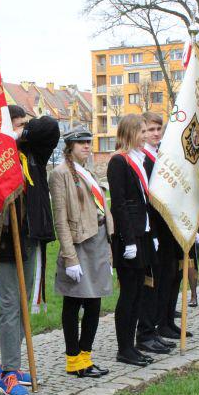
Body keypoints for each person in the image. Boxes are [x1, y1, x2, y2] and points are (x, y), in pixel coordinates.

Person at [0, 105, 60, 395]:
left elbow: (51, 127)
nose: (20, 130)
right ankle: (8, 371)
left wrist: (22, 133)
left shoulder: (33, 150)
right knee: (10, 305)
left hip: (31, 235)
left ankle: (12, 363)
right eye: (15, 125)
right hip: (7, 240)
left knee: (23, 302)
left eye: (22, 125)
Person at [49, 127, 112, 377]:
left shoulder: (88, 170)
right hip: (78, 244)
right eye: (81, 142)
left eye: (89, 142)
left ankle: (86, 356)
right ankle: (73, 360)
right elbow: (61, 220)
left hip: (97, 241)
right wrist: (69, 257)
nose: (87, 146)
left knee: (95, 303)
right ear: (70, 146)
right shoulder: (59, 173)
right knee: (74, 302)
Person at [107, 114, 157, 366]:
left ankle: (133, 344)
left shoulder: (138, 159)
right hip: (129, 237)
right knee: (128, 294)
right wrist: (127, 240)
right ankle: (123, 347)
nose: (146, 136)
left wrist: (151, 235)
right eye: (141, 131)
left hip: (143, 234)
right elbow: (119, 204)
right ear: (129, 133)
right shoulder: (119, 162)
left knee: (139, 292)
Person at [136, 111, 181, 350]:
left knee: (171, 273)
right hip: (153, 226)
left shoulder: (160, 155)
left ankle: (165, 320)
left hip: (167, 224)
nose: (154, 134)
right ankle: (152, 325)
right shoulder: (143, 158)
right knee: (156, 278)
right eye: (149, 130)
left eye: (157, 130)